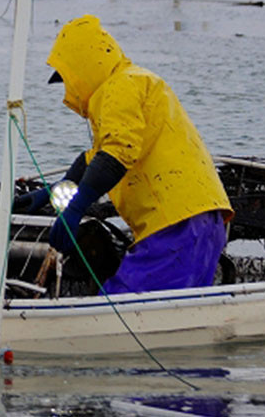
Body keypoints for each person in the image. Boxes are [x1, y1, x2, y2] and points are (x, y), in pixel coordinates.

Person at [18, 15, 233, 295]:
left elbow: (114, 157)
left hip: (178, 226)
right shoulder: (132, 83)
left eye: (66, 78)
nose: (67, 89)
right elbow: (93, 160)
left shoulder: (120, 86)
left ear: (83, 65)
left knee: (120, 306)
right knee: (175, 309)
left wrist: (75, 209)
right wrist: (52, 192)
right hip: (197, 220)